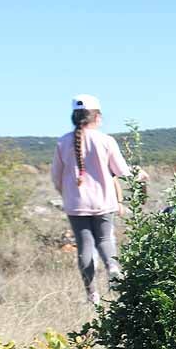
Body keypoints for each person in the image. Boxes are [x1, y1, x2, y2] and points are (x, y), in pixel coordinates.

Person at [51, 94, 145, 304]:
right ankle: (113, 268)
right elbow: (122, 171)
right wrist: (140, 174)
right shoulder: (105, 140)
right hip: (104, 202)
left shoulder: (62, 142)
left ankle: (92, 294)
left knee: (84, 247)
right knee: (104, 240)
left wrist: (66, 194)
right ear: (97, 117)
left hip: (76, 204)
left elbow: (56, 177)